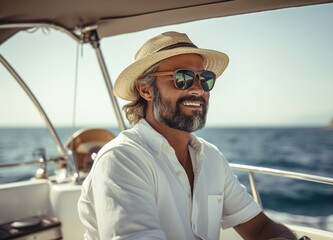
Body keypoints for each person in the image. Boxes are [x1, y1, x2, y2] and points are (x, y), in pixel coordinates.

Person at [78, 31, 298, 240]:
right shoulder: (122, 159)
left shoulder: (211, 157)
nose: (197, 89)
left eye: (205, 79)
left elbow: (260, 228)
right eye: (182, 77)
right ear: (146, 90)